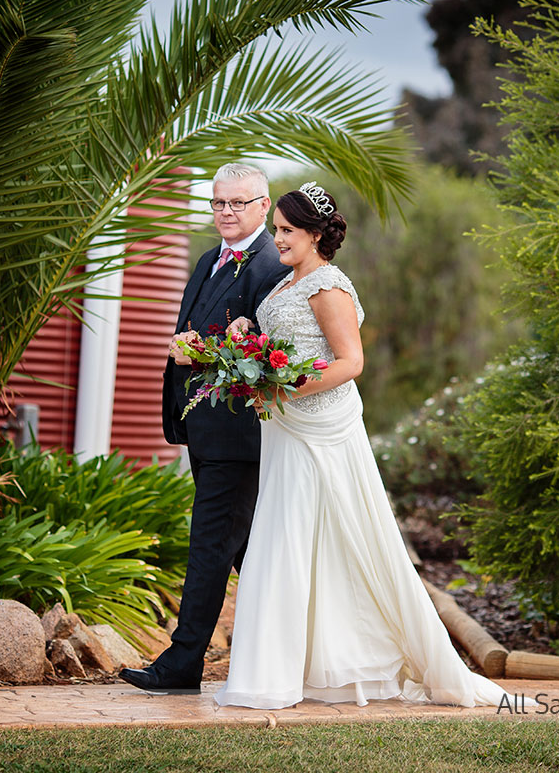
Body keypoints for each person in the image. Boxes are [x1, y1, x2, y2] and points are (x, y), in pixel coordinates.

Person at [213, 182, 517, 709]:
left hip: (318, 430)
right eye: (278, 230)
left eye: (286, 231)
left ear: (313, 234)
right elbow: (285, 348)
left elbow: (350, 362)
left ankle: (303, 671)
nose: (278, 239)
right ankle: (290, 669)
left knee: (306, 540)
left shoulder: (327, 284)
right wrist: (247, 340)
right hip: (285, 431)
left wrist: (282, 387)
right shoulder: (288, 283)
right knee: (294, 543)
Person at [119, 163, 290, 695]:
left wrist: (208, 349)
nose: (226, 213)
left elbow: (272, 351)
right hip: (205, 428)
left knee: (210, 546)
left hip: (240, 435)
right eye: (218, 203)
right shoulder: (206, 259)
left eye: (238, 203)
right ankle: (297, 651)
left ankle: (182, 663)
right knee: (245, 552)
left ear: (264, 205)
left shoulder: (274, 265)